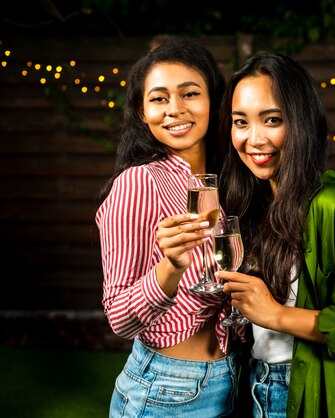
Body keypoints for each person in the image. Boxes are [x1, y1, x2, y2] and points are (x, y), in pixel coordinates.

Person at [216, 51, 335, 418]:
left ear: (301, 122)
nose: (253, 139)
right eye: (241, 122)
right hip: (256, 386)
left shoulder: (334, 208)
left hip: (306, 393)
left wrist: (276, 315)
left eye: (272, 120)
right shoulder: (252, 205)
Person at [96, 36, 245, 417]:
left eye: (190, 94)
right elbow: (119, 318)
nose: (175, 110)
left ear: (213, 101)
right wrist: (171, 267)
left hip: (235, 376)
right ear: (142, 112)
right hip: (166, 389)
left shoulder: (231, 179)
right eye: (159, 98)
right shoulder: (138, 183)